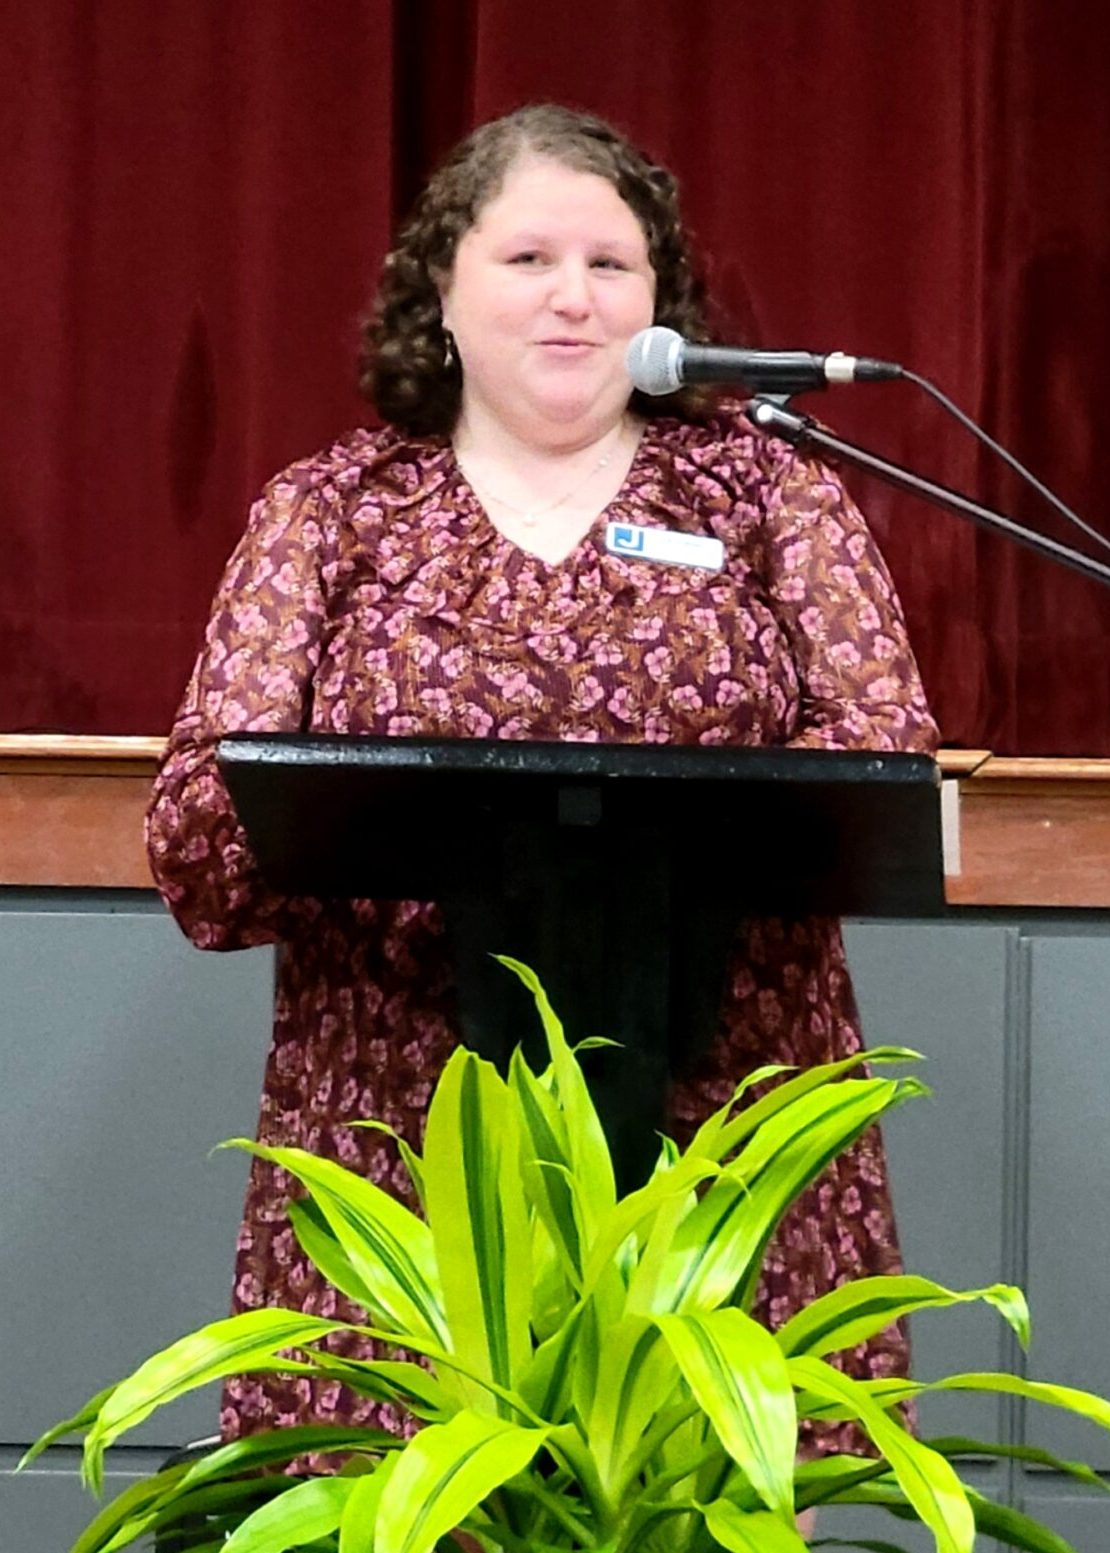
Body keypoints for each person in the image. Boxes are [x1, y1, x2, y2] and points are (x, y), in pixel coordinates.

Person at [146, 104, 937, 1460]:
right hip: (407, 1139)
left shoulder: (769, 497)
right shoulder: (328, 514)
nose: (573, 296)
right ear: (438, 292)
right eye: (526, 261)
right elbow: (201, 852)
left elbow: (883, 769)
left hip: (716, 1145)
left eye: (611, 265)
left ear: (659, 302)